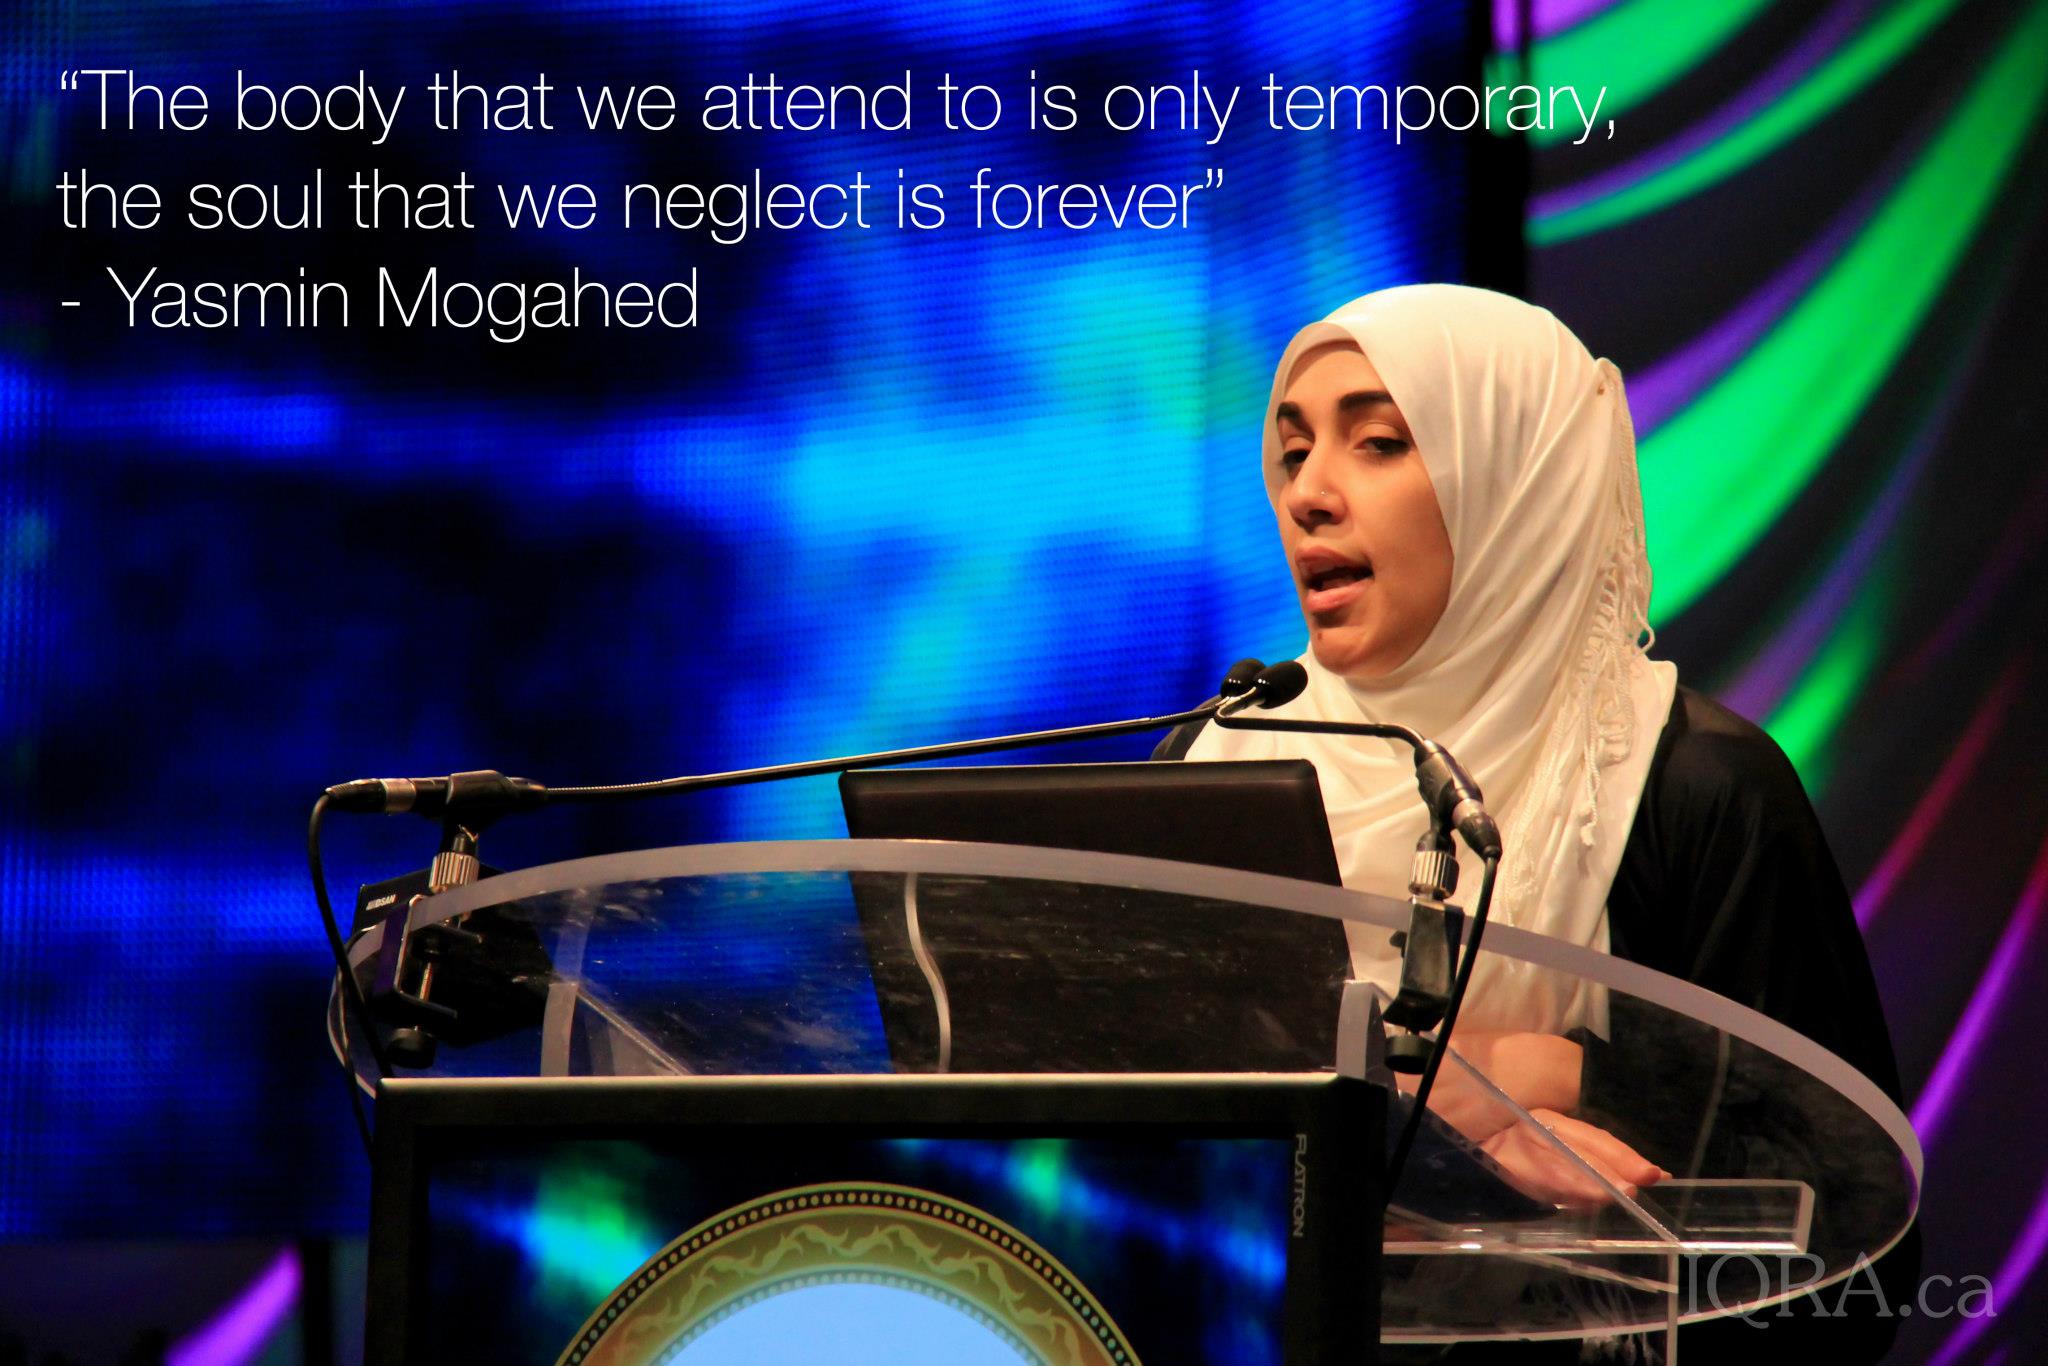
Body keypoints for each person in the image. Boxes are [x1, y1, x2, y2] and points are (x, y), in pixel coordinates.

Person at [1154, 284, 1915, 1361]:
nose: (1308, 494)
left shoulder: (1691, 785)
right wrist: (1461, 1110)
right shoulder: (1221, 762)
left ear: (1515, 480)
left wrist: (1566, 1078)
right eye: (1292, 452)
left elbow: (1846, 1221)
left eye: (1377, 443)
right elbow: (1133, 1147)